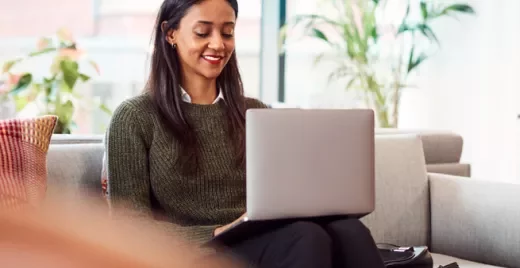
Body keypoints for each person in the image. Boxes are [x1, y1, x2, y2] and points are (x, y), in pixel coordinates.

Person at [104, 0, 385, 267]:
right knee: (305, 238)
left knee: (349, 230)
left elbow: (282, 197)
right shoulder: (135, 117)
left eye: (228, 33)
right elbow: (129, 227)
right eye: (203, 32)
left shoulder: (255, 113)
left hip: (262, 238)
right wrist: (214, 232)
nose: (218, 44)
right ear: (170, 33)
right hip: (195, 252)